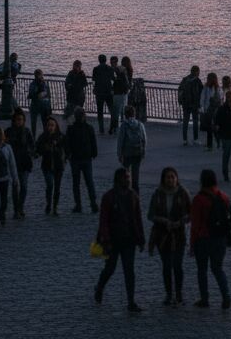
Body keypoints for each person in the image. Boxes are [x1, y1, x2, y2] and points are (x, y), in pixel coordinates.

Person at [94, 167, 145, 312]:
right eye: (125, 177)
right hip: (113, 240)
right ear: (118, 179)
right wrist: (105, 240)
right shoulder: (108, 197)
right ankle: (99, 287)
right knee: (110, 268)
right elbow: (103, 221)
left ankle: (131, 301)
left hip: (129, 240)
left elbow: (138, 218)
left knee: (129, 270)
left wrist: (141, 238)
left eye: (128, 177)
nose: (128, 180)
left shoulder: (133, 195)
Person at [189, 168, 231, 309]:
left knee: (202, 270)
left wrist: (192, 244)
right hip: (220, 238)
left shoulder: (199, 199)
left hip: (203, 239)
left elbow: (195, 224)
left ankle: (204, 298)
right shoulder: (224, 196)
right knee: (218, 268)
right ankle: (226, 296)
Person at [148, 166, 192, 305]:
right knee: (167, 266)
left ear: (176, 178)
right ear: (163, 179)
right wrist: (163, 221)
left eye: (173, 177)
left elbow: (191, 213)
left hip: (178, 235)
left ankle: (178, 294)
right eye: (168, 177)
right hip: (162, 236)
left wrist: (181, 222)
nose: (171, 179)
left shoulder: (183, 193)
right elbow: (150, 215)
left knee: (177, 265)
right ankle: (168, 294)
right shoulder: (157, 194)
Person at [66, 106, 99, 213]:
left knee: (76, 183)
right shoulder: (89, 128)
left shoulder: (71, 129)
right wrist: (94, 153)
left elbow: (68, 144)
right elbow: (93, 143)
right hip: (86, 158)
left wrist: (68, 155)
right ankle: (93, 203)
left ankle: (78, 205)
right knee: (89, 182)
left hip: (75, 159)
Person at [5, 108, 35, 219]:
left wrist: (30, 152)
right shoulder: (8, 131)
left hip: (24, 162)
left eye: (21, 119)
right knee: (15, 186)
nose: (19, 121)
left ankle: (20, 206)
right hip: (13, 163)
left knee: (24, 186)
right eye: (18, 119)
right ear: (14, 120)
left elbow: (32, 145)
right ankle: (16, 209)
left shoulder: (26, 131)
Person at [36, 116, 66, 215]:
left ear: (56, 126)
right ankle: (49, 203)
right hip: (47, 166)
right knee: (50, 185)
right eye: (49, 125)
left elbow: (66, 148)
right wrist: (46, 148)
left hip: (58, 166)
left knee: (57, 187)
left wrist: (64, 157)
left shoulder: (61, 136)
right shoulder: (43, 137)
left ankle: (55, 207)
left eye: (52, 125)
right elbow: (38, 150)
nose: (51, 127)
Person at [117, 104, 147, 192]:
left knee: (125, 174)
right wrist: (143, 151)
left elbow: (120, 141)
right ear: (134, 114)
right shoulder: (140, 124)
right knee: (135, 174)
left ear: (125, 115)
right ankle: (136, 195)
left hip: (127, 153)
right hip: (137, 152)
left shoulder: (124, 125)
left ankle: (126, 192)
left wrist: (119, 154)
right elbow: (144, 139)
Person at [178, 65, 203, 146]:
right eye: (198, 71)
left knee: (185, 122)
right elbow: (201, 92)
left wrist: (181, 102)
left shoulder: (184, 80)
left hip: (186, 104)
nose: (199, 73)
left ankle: (185, 140)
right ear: (196, 71)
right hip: (195, 104)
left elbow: (180, 91)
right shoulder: (197, 81)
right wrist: (200, 104)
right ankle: (195, 139)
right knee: (195, 122)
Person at [199, 72, 223, 150]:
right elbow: (221, 99)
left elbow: (202, 99)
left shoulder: (206, 88)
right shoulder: (218, 88)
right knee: (214, 128)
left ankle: (210, 145)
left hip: (209, 110)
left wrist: (202, 108)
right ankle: (218, 142)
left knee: (210, 129)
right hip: (215, 110)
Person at [92, 55, 115, 134]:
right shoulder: (110, 69)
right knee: (112, 111)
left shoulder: (96, 69)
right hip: (108, 92)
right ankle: (112, 128)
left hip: (99, 92)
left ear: (99, 60)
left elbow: (93, 80)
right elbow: (113, 79)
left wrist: (94, 88)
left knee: (100, 111)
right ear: (106, 60)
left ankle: (101, 129)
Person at [27, 69, 52, 137]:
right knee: (42, 123)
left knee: (38, 123)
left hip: (39, 106)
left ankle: (37, 137)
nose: (40, 77)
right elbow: (49, 96)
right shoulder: (44, 84)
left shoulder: (34, 84)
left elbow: (48, 96)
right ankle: (42, 137)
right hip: (41, 105)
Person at [110, 56, 130, 134]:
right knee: (122, 110)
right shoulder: (123, 70)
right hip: (123, 93)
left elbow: (112, 82)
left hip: (117, 93)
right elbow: (127, 82)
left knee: (116, 111)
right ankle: (122, 126)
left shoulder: (113, 70)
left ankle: (115, 127)